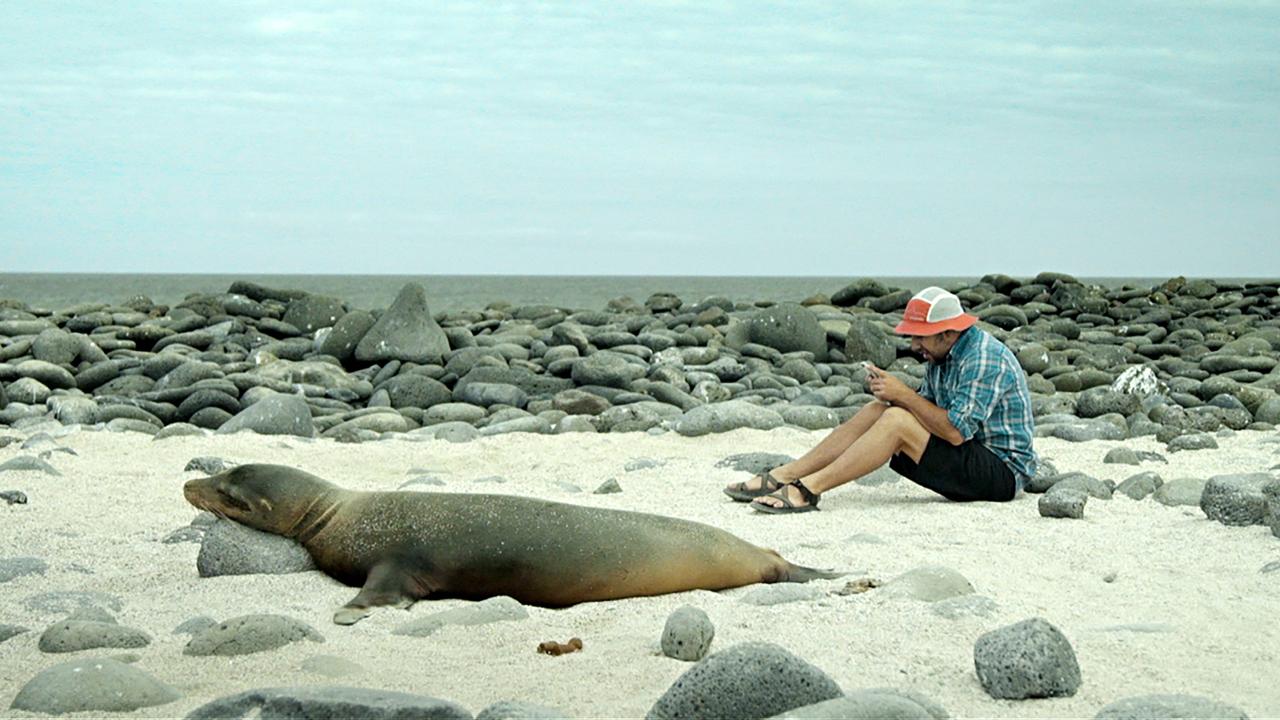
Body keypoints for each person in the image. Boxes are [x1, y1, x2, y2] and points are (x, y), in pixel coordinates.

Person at [723, 286, 1037, 513]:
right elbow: (927, 412)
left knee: (899, 418)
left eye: (920, 336)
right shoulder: (943, 354)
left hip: (1002, 474)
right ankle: (787, 475)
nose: (914, 345)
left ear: (948, 333)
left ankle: (809, 489)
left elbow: (955, 431)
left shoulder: (983, 358)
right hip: (969, 455)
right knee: (880, 410)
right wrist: (892, 394)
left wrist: (903, 395)